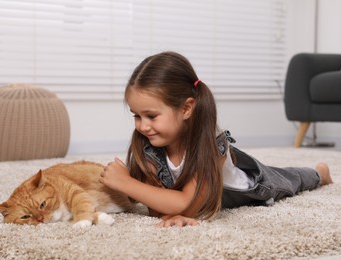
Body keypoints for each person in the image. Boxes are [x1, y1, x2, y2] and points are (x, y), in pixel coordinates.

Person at [99, 51, 333, 227]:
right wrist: (167, 212)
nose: (142, 125)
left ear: (186, 108)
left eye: (151, 115)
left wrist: (126, 183)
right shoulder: (148, 144)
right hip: (203, 196)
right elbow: (156, 204)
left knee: (290, 180)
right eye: (136, 116)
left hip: (249, 186)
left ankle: (319, 174)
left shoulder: (210, 144)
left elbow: (187, 203)